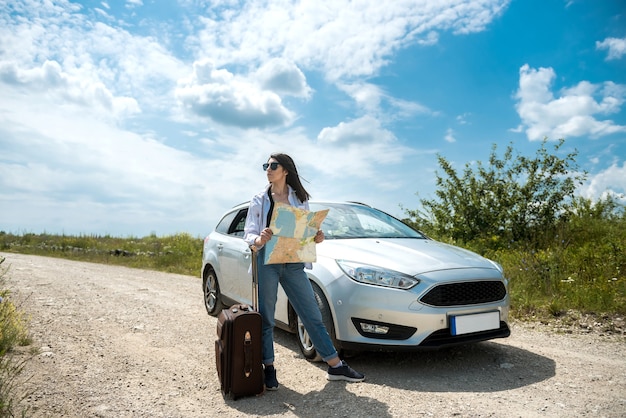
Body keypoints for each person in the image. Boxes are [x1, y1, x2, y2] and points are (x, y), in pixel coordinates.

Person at [243, 153, 365, 391]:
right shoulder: (259, 199)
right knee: (267, 318)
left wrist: (316, 236)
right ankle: (268, 368)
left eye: (273, 165)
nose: (268, 169)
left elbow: (304, 233)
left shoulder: (299, 198)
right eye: (266, 166)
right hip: (266, 262)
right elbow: (248, 234)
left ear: (285, 170)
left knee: (311, 315)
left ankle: (335, 365)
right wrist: (259, 238)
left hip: (293, 262)